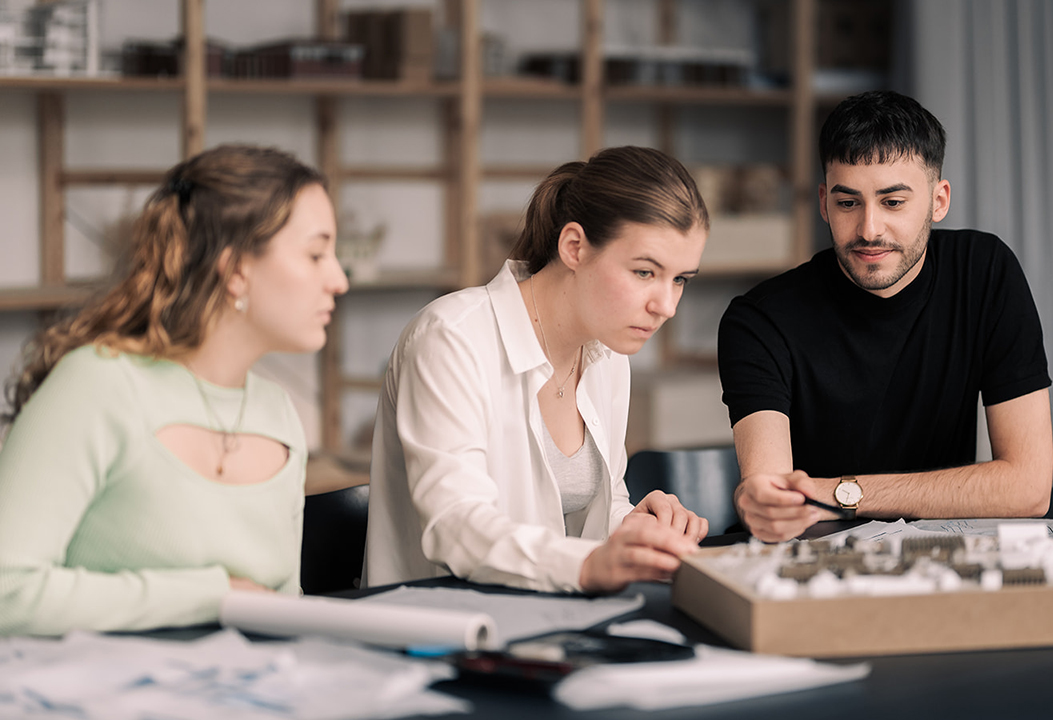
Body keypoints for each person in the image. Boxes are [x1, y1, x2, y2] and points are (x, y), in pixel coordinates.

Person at [0, 145, 350, 635]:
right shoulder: (98, 385)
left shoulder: (278, 415)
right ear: (236, 270)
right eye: (316, 254)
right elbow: (7, 592)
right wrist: (211, 595)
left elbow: (282, 611)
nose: (339, 280)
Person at [365, 146, 711, 594]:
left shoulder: (608, 353)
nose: (666, 306)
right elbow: (454, 525)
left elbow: (588, 512)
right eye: (645, 273)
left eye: (680, 279)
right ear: (574, 247)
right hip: (437, 630)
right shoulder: (450, 338)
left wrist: (631, 527)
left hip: (546, 618)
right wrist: (589, 564)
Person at [718, 91, 1053, 543]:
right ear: (823, 203)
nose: (869, 229)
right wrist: (766, 503)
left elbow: (1029, 488)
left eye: (893, 202)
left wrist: (835, 493)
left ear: (939, 200)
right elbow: (777, 505)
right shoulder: (758, 322)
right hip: (812, 567)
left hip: (943, 556)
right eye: (847, 203)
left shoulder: (985, 271)